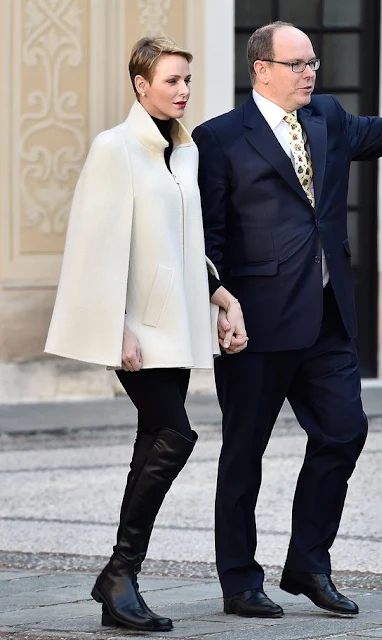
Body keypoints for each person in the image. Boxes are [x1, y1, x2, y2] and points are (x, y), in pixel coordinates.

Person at [193, 5, 382, 619]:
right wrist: (220, 303)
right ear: (262, 70)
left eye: (313, 61)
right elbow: (209, 235)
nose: (310, 72)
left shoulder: (329, 118)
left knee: (344, 432)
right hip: (256, 324)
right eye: (297, 63)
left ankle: (309, 563)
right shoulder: (220, 137)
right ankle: (240, 582)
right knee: (244, 455)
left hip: (328, 319)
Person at [45, 35, 247, 632]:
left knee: (157, 435)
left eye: (187, 80)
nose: (183, 91)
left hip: (176, 325)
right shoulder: (116, 148)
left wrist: (223, 298)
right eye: (171, 81)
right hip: (137, 329)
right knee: (175, 435)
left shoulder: (183, 152)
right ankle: (120, 572)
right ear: (141, 85)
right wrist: (118, 329)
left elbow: (186, 243)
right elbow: (94, 244)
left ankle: (119, 583)